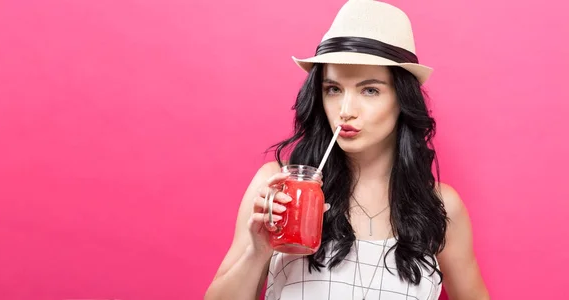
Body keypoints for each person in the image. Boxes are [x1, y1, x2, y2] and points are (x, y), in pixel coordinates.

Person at [205, 0, 489, 299]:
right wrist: (257, 250)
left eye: (370, 90)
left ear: (402, 100)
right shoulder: (281, 188)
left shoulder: (440, 206)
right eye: (333, 89)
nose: (345, 110)